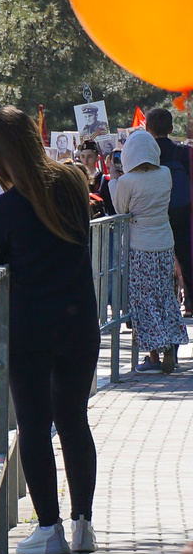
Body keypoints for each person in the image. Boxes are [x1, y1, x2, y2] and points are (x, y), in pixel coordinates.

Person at [0, 106, 101, 554]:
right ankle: (83, 525)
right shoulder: (73, 183)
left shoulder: (4, 208)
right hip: (78, 321)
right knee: (74, 421)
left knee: (34, 426)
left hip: (30, 329)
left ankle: (49, 529)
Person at [111, 129, 185, 372]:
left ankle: (154, 355)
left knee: (143, 300)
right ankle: (170, 344)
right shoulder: (165, 173)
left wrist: (114, 179)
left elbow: (120, 209)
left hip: (139, 246)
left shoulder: (127, 181)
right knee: (165, 296)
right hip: (164, 242)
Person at [152, 109, 193, 308]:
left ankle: (161, 304)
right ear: (171, 128)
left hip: (156, 213)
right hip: (184, 213)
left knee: (157, 261)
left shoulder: (148, 154)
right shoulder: (185, 152)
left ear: (147, 128)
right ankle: (190, 303)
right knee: (187, 258)